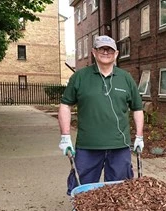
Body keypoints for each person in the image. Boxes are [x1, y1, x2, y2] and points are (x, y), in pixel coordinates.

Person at [58, 35, 144, 196]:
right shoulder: (80, 77)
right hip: (88, 146)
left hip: (119, 146)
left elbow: (137, 109)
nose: (106, 52)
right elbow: (65, 105)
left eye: (109, 49)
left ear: (116, 53)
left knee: (121, 191)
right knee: (82, 190)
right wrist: (65, 136)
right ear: (94, 52)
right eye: (101, 49)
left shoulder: (126, 78)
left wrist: (139, 136)